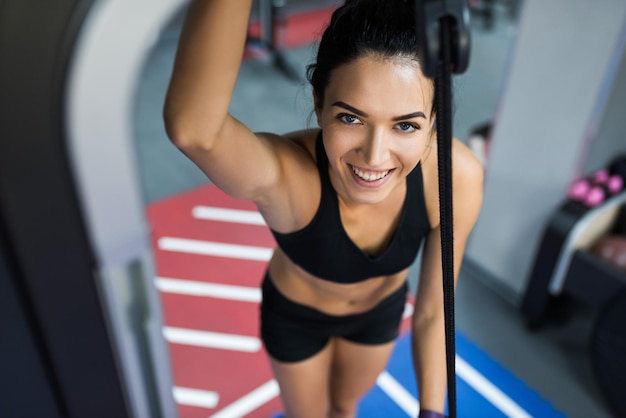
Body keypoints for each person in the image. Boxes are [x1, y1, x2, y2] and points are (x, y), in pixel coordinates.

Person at [163, 1, 483, 417]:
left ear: (434, 121)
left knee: (346, 407)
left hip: (377, 315)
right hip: (297, 317)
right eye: (351, 118)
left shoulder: (454, 176)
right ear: (319, 104)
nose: (374, 155)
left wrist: (431, 411)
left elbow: (434, 311)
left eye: (405, 125)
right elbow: (196, 133)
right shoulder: (288, 176)